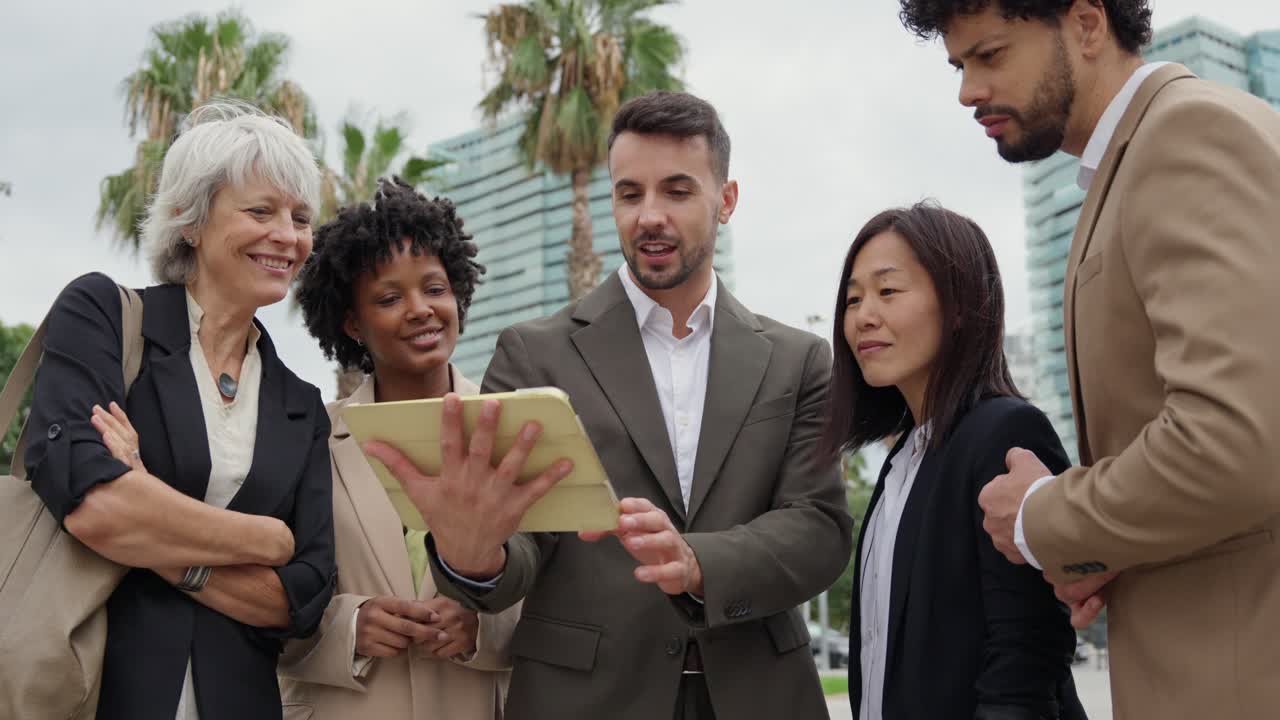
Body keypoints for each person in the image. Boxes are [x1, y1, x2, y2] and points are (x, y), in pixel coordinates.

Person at [364, 91, 853, 720]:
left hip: (759, 695)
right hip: (583, 700)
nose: (649, 215)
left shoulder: (800, 360)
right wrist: (472, 554)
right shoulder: (533, 354)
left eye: (677, 191)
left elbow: (818, 529)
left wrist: (698, 561)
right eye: (629, 194)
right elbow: (519, 552)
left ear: (725, 201)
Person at [898, 0, 1280, 716]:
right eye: (959, 65)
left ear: (1085, 24)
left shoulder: (1187, 135)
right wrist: (1099, 546)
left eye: (990, 54)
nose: (967, 91)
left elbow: (1237, 443)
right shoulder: (1127, 168)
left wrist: (1045, 517)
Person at [23, 101, 336, 720]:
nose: (288, 235)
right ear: (189, 220)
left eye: (301, 218)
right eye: (260, 210)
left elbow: (300, 598)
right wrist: (264, 538)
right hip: (91, 692)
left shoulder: (301, 404)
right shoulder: (104, 317)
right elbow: (94, 507)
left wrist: (146, 502)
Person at [822, 202, 1085, 720]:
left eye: (888, 291)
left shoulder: (1004, 433)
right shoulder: (902, 461)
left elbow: (1026, 651)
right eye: (853, 298)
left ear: (959, 304)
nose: (863, 315)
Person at [279, 177, 519, 720]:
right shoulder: (308, 440)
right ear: (351, 323)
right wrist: (346, 628)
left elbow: (568, 598)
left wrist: (482, 627)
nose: (420, 309)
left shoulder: (517, 428)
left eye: (435, 288)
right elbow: (262, 596)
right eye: (389, 298)